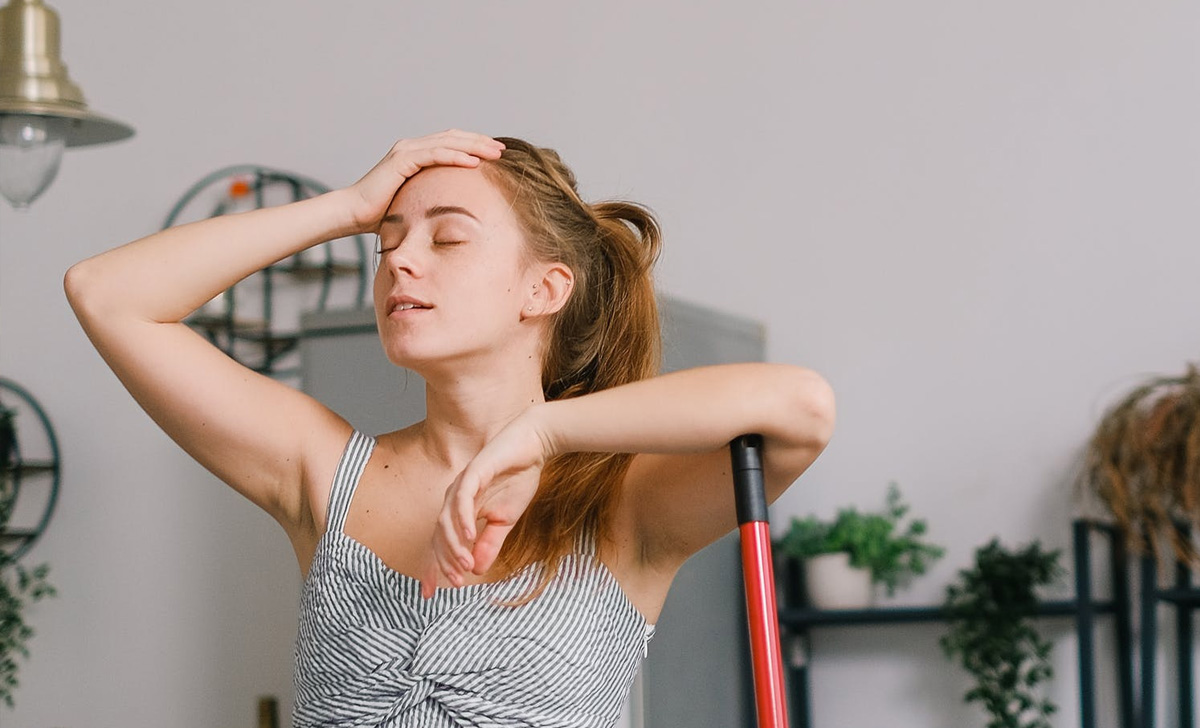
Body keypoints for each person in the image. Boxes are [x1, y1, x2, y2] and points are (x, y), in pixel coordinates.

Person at [64, 129, 836, 727]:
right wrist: (346, 206)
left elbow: (800, 407)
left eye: (447, 237)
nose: (401, 261)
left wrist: (542, 437)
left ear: (544, 288)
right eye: (386, 241)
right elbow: (107, 294)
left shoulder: (623, 503)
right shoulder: (323, 471)